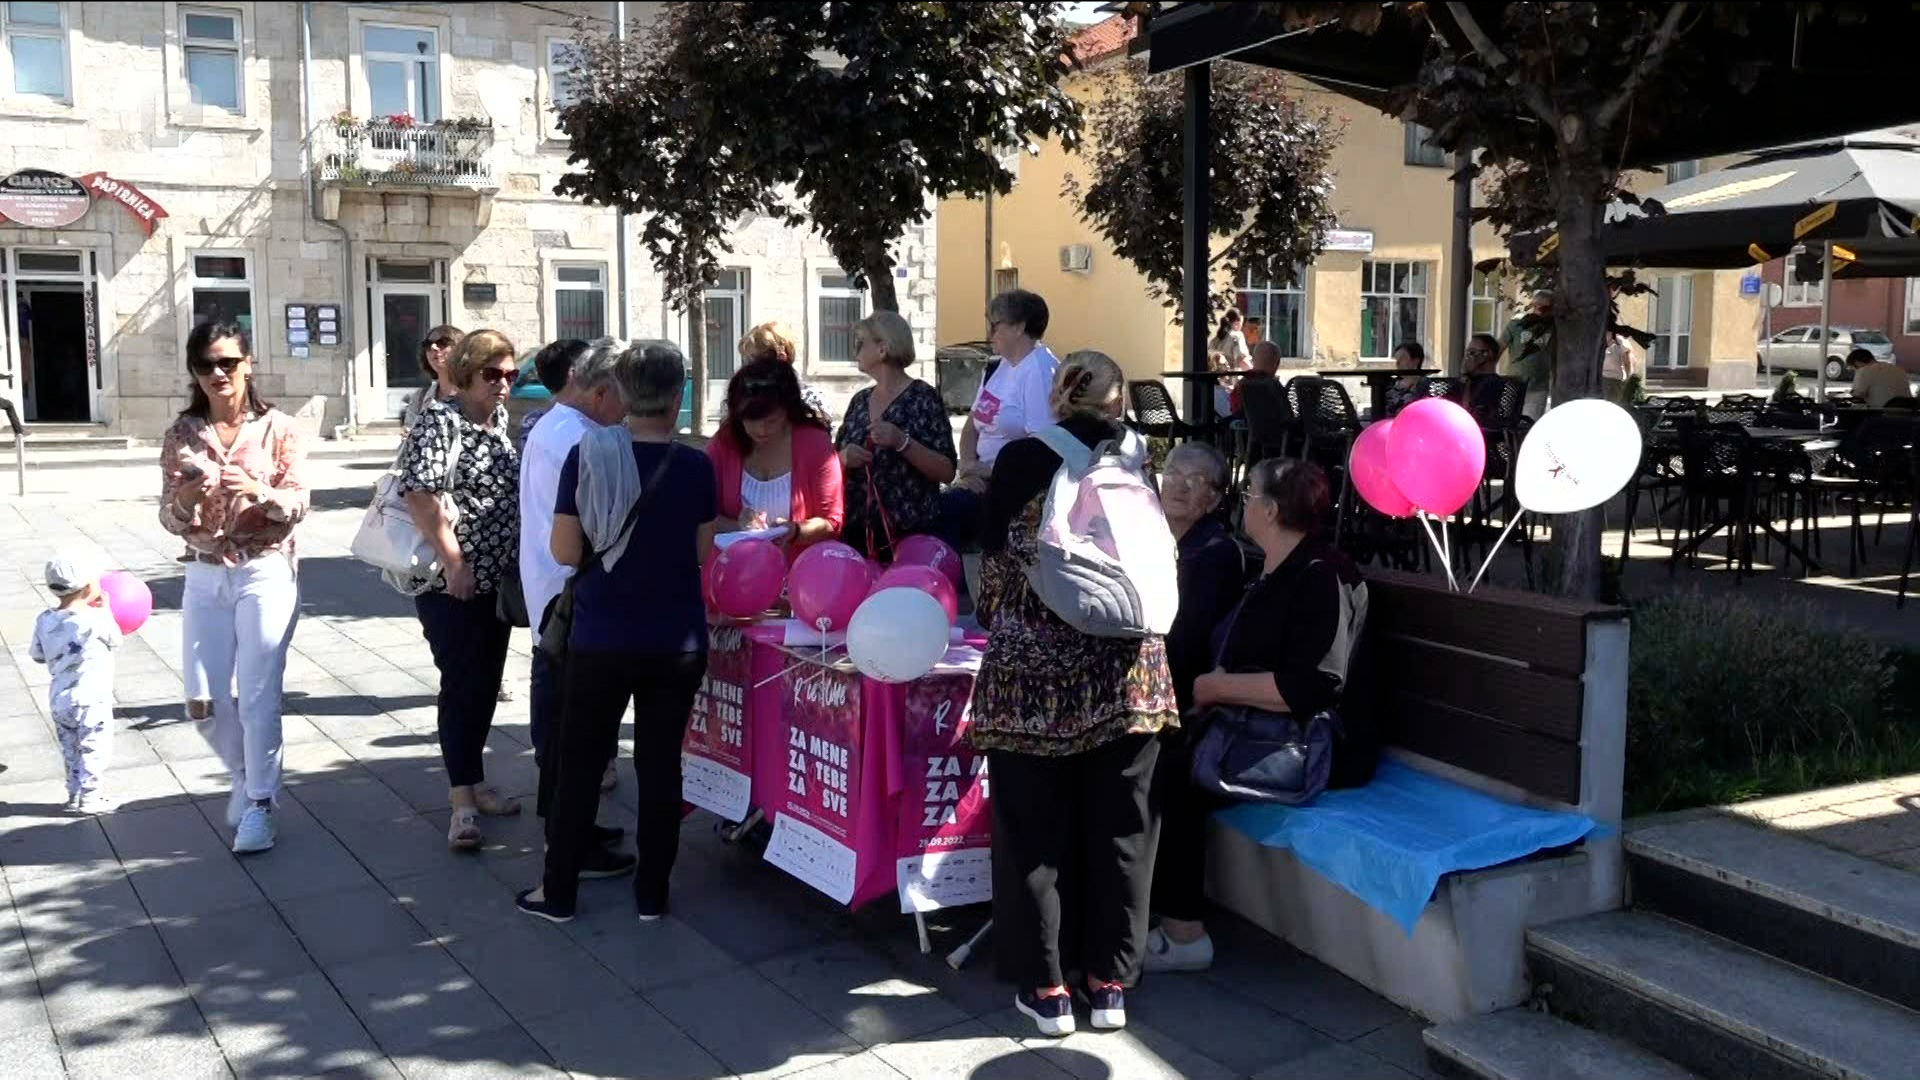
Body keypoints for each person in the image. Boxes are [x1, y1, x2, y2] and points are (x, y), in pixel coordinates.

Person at [969, 350, 1178, 1037]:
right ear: (1119, 401)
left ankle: (1048, 988)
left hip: (1032, 678)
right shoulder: (1138, 456)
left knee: (1034, 830)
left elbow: (994, 571)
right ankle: (1109, 983)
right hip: (1132, 672)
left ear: (1057, 397)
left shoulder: (1021, 458)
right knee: (1121, 827)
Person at [516, 341, 719, 923]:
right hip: (675, 639)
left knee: (579, 765)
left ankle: (558, 893)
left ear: (623, 394)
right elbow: (702, 551)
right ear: (677, 398)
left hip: (601, 635)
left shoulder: (588, 455)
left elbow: (564, 549)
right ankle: (653, 895)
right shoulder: (696, 466)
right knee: (660, 766)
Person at [1168, 459, 1373, 965]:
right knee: (1153, 751)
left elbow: (1313, 685)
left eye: (1249, 496)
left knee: (1173, 772)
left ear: (1271, 510)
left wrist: (1215, 688)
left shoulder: (1322, 576)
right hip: (1264, 725)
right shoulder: (1277, 567)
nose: (1244, 505)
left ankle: (1183, 934)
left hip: (1316, 743)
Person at [160, 321, 309, 854]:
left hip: (263, 569)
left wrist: (258, 489)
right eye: (206, 365)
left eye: (227, 362)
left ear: (248, 364)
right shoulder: (182, 434)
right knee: (202, 700)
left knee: (259, 694)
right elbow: (169, 517)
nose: (218, 373)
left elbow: (298, 503)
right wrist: (186, 499)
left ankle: (259, 803)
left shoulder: (279, 428)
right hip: (203, 572)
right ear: (194, 372)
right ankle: (246, 774)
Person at [399, 328, 523, 850]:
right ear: (468, 372)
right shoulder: (440, 419)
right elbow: (420, 494)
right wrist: (456, 563)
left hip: (493, 579)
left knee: (485, 681)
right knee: (461, 681)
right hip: (449, 581)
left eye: (511, 375)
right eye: (492, 374)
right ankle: (461, 801)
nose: (503, 384)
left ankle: (475, 778)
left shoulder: (497, 423)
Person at [1146, 443, 1249, 973]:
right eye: (1173, 473)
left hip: (1196, 706)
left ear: (1213, 498)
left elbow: (1186, 646)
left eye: (1195, 480)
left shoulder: (1214, 553)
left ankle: (1180, 927)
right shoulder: (1158, 538)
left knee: (1170, 774)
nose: (1178, 485)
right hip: (1165, 695)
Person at [520, 338, 627, 822]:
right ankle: (567, 832)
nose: (628, 409)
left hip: (555, 586)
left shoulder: (558, 423)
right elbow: (597, 524)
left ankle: (569, 825)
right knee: (569, 719)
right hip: (569, 591)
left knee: (565, 715)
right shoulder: (579, 437)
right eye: (624, 395)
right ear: (601, 391)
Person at [835, 311, 958, 560]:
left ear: (882, 349)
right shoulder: (860, 401)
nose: (855, 351)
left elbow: (946, 471)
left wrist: (902, 442)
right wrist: (844, 458)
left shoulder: (923, 398)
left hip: (910, 535)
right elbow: (831, 461)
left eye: (860, 343)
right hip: (858, 533)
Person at [944, 289, 1060, 547]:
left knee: (943, 515)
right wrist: (969, 466)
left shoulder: (1040, 371)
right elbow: (972, 426)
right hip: (981, 479)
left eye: (995, 326)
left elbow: (1042, 450)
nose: (989, 335)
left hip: (1014, 490)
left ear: (1019, 327)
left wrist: (986, 472)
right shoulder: (998, 367)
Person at [706, 359, 844, 555]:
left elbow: (832, 522)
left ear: (788, 410)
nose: (761, 430)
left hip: (801, 569)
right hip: (736, 567)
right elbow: (700, 515)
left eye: (772, 421)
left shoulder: (815, 445)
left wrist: (796, 531)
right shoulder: (724, 444)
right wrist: (738, 526)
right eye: (751, 420)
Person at [31, 556, 122, 815]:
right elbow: (116, 640)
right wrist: (106, 611)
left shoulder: (44, 620)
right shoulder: (96, 619)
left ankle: (73, 794)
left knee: (70, 749)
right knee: (95, 748)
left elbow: (37, 655)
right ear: (88, 588)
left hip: (60, 698)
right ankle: (91, 797)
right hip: (92, 699)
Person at [738, 320, 830, 424]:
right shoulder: (743, 397)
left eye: (755, 360)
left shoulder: (811, 400)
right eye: (747, 360)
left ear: (781, 358)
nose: (748, 368)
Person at [401, 325, 465, 429]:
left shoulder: (475, 395)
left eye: (442, 342)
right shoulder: (420, 398)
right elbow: (410, 435)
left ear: (460, 349)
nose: (433, 347)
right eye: (428, 344)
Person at [1502, 291, 1554, 419]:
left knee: (1529, 423)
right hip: (1514, 383)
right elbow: (1498, 347)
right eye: (1537, 306)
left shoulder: (1554, 327)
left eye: (1546, 307)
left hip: (1538, 387)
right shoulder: (1517, 324)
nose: (1540, 310)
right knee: (1508, 420)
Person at [1227, 341, 1284, 417]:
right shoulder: (1275, 387)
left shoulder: (1242, 385)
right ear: (1277, 363)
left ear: (1253, 360)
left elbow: (1234, 408)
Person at [1464, 333, 1508, 421]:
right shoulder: (1469, 380)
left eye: (1472, 353)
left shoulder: (1492, 384)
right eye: (1467, 353)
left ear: (1487, 354)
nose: (1467, 358)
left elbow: (1470, 412)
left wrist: (1467, 378)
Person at [1383, 341, 1427, 417]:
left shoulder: (1425, 385)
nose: (1398, 363)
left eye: (1402, 358)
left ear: (1415, 361)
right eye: (1397, 359)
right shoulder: (1391, 384)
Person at [1602, 330, 1638, 404]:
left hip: (1614, 380)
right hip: (1604, 379)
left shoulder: (1619, 340)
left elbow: (1627, 360)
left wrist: (1628, 378)